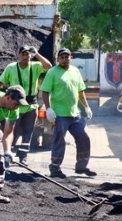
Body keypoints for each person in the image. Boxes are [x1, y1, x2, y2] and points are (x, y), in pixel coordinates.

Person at [40, 48, 96, 179]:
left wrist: (86, 107)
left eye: (67, 57)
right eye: (62, 57)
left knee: (84, 137)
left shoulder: (75, 71)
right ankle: (54, 168)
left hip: (75, 114)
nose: (65, 59)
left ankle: (81, 166)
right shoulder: (52, 72)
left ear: (71, 58)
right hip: (59, 115)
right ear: (58, 59)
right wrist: (48, 108)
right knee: (59, 141)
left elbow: (80, 91)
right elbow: (45, 92)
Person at [0, 45, 53, 164]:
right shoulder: (11, 67)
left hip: (31, 105)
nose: (26, 56)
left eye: (28, 54)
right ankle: (8, 154)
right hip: (15, 105)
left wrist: (37, 55)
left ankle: (23, 156)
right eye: (23, 54)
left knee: (28, 132)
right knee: (11, 131)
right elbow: (0, 82)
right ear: (19, 55)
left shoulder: (35, 66)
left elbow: (49, 66)